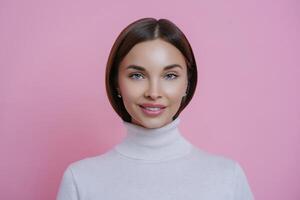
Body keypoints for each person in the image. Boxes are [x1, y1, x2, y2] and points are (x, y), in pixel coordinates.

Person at [56, 18, 254, 200]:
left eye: (170, 76)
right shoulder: (80, 180)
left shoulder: (228, 177)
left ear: (187, 82)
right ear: (117, 83)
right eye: (137, 75)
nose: (153, 92)